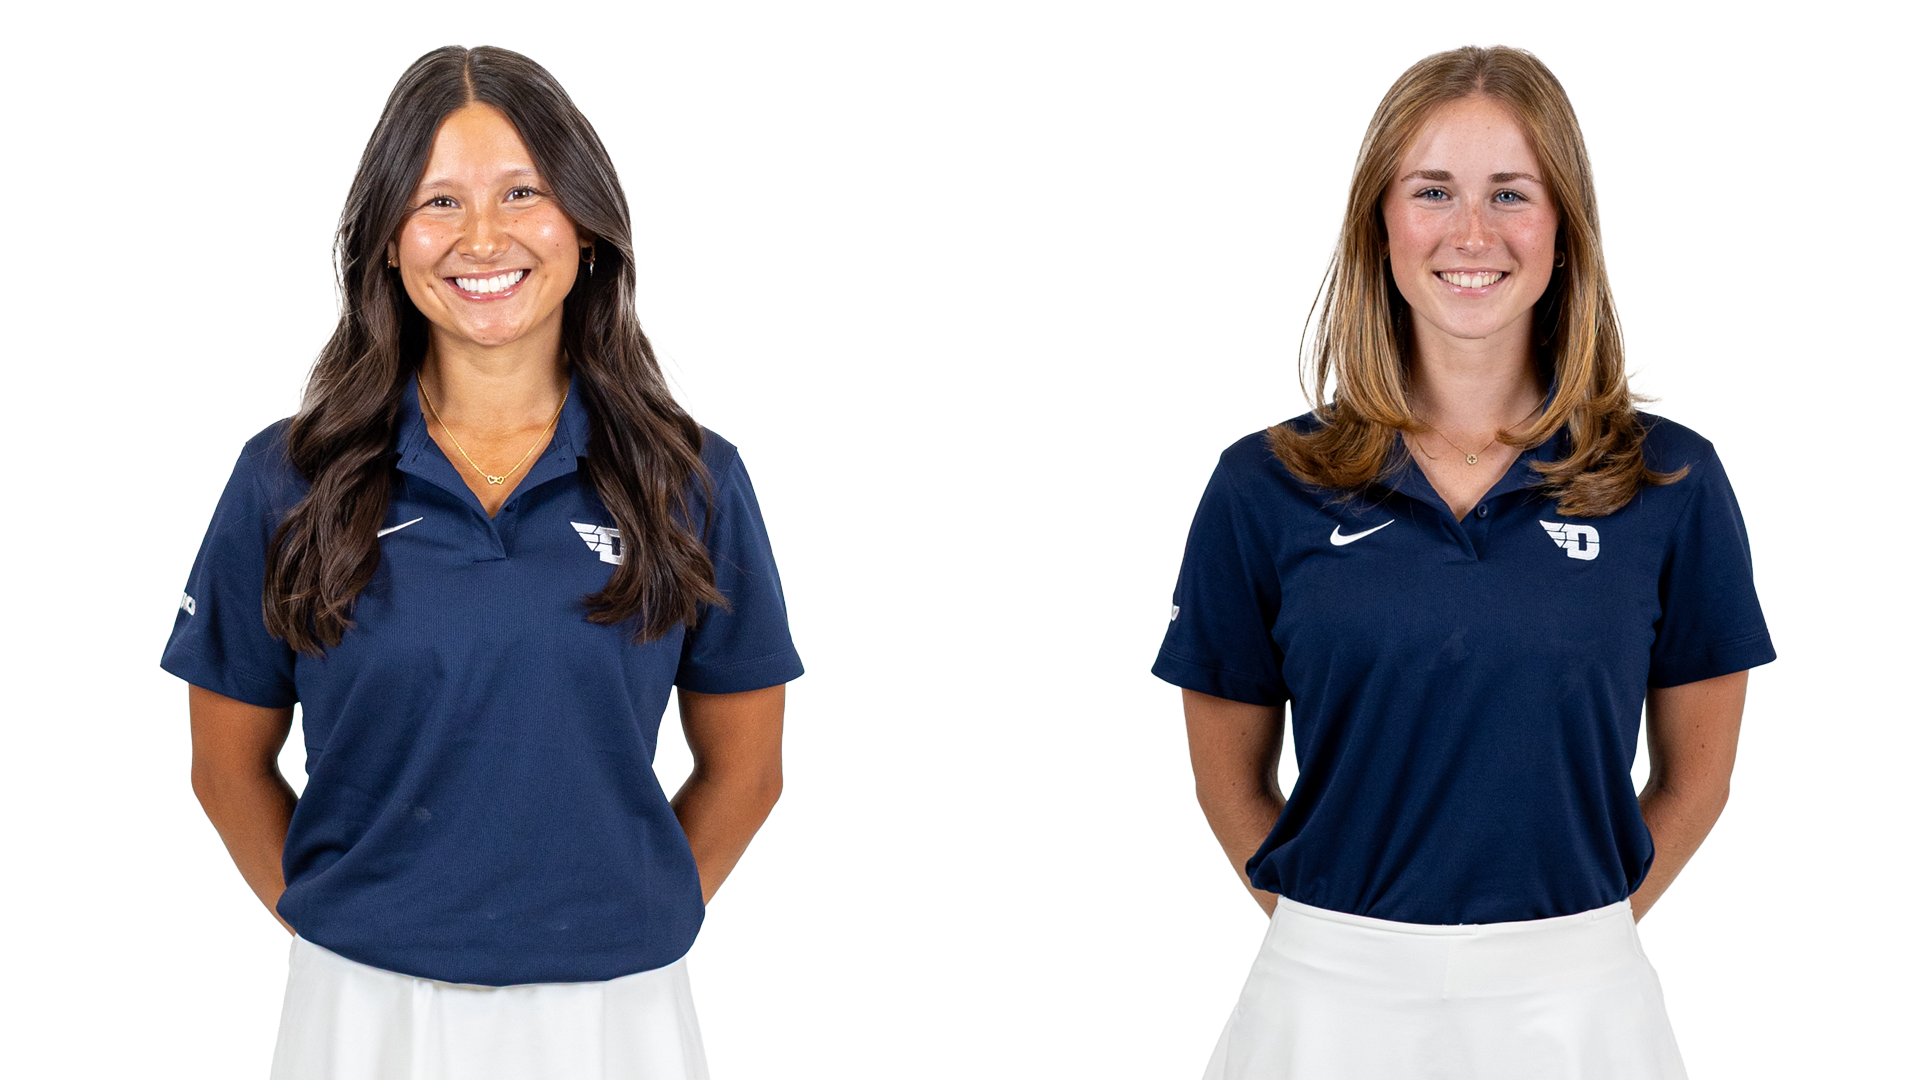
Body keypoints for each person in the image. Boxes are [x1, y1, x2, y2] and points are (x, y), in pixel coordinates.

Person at [161, 46, 801, 1080]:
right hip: (361, 1013)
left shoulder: (692, 480)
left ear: (586, 226)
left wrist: (626, 914)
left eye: (521, 193)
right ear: (385, 242)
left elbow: (749, 769)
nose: (484, 238)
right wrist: (353, 929)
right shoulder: (289, 479)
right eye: (439, 203)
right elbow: (224, 765)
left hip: (615, 1015)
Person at [1153, 45, 1773, 1079]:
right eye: (1432, 190)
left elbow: (1697, 780)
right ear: (1380, 225)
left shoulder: (1671, 483)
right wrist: (1352, 945)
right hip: (1325, 1002)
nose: (1471, 233)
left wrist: (1567, 944)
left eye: (1511, 195)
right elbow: (1230, 783)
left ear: (1564, 230)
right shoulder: (1263, 486)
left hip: (1582, 1009)